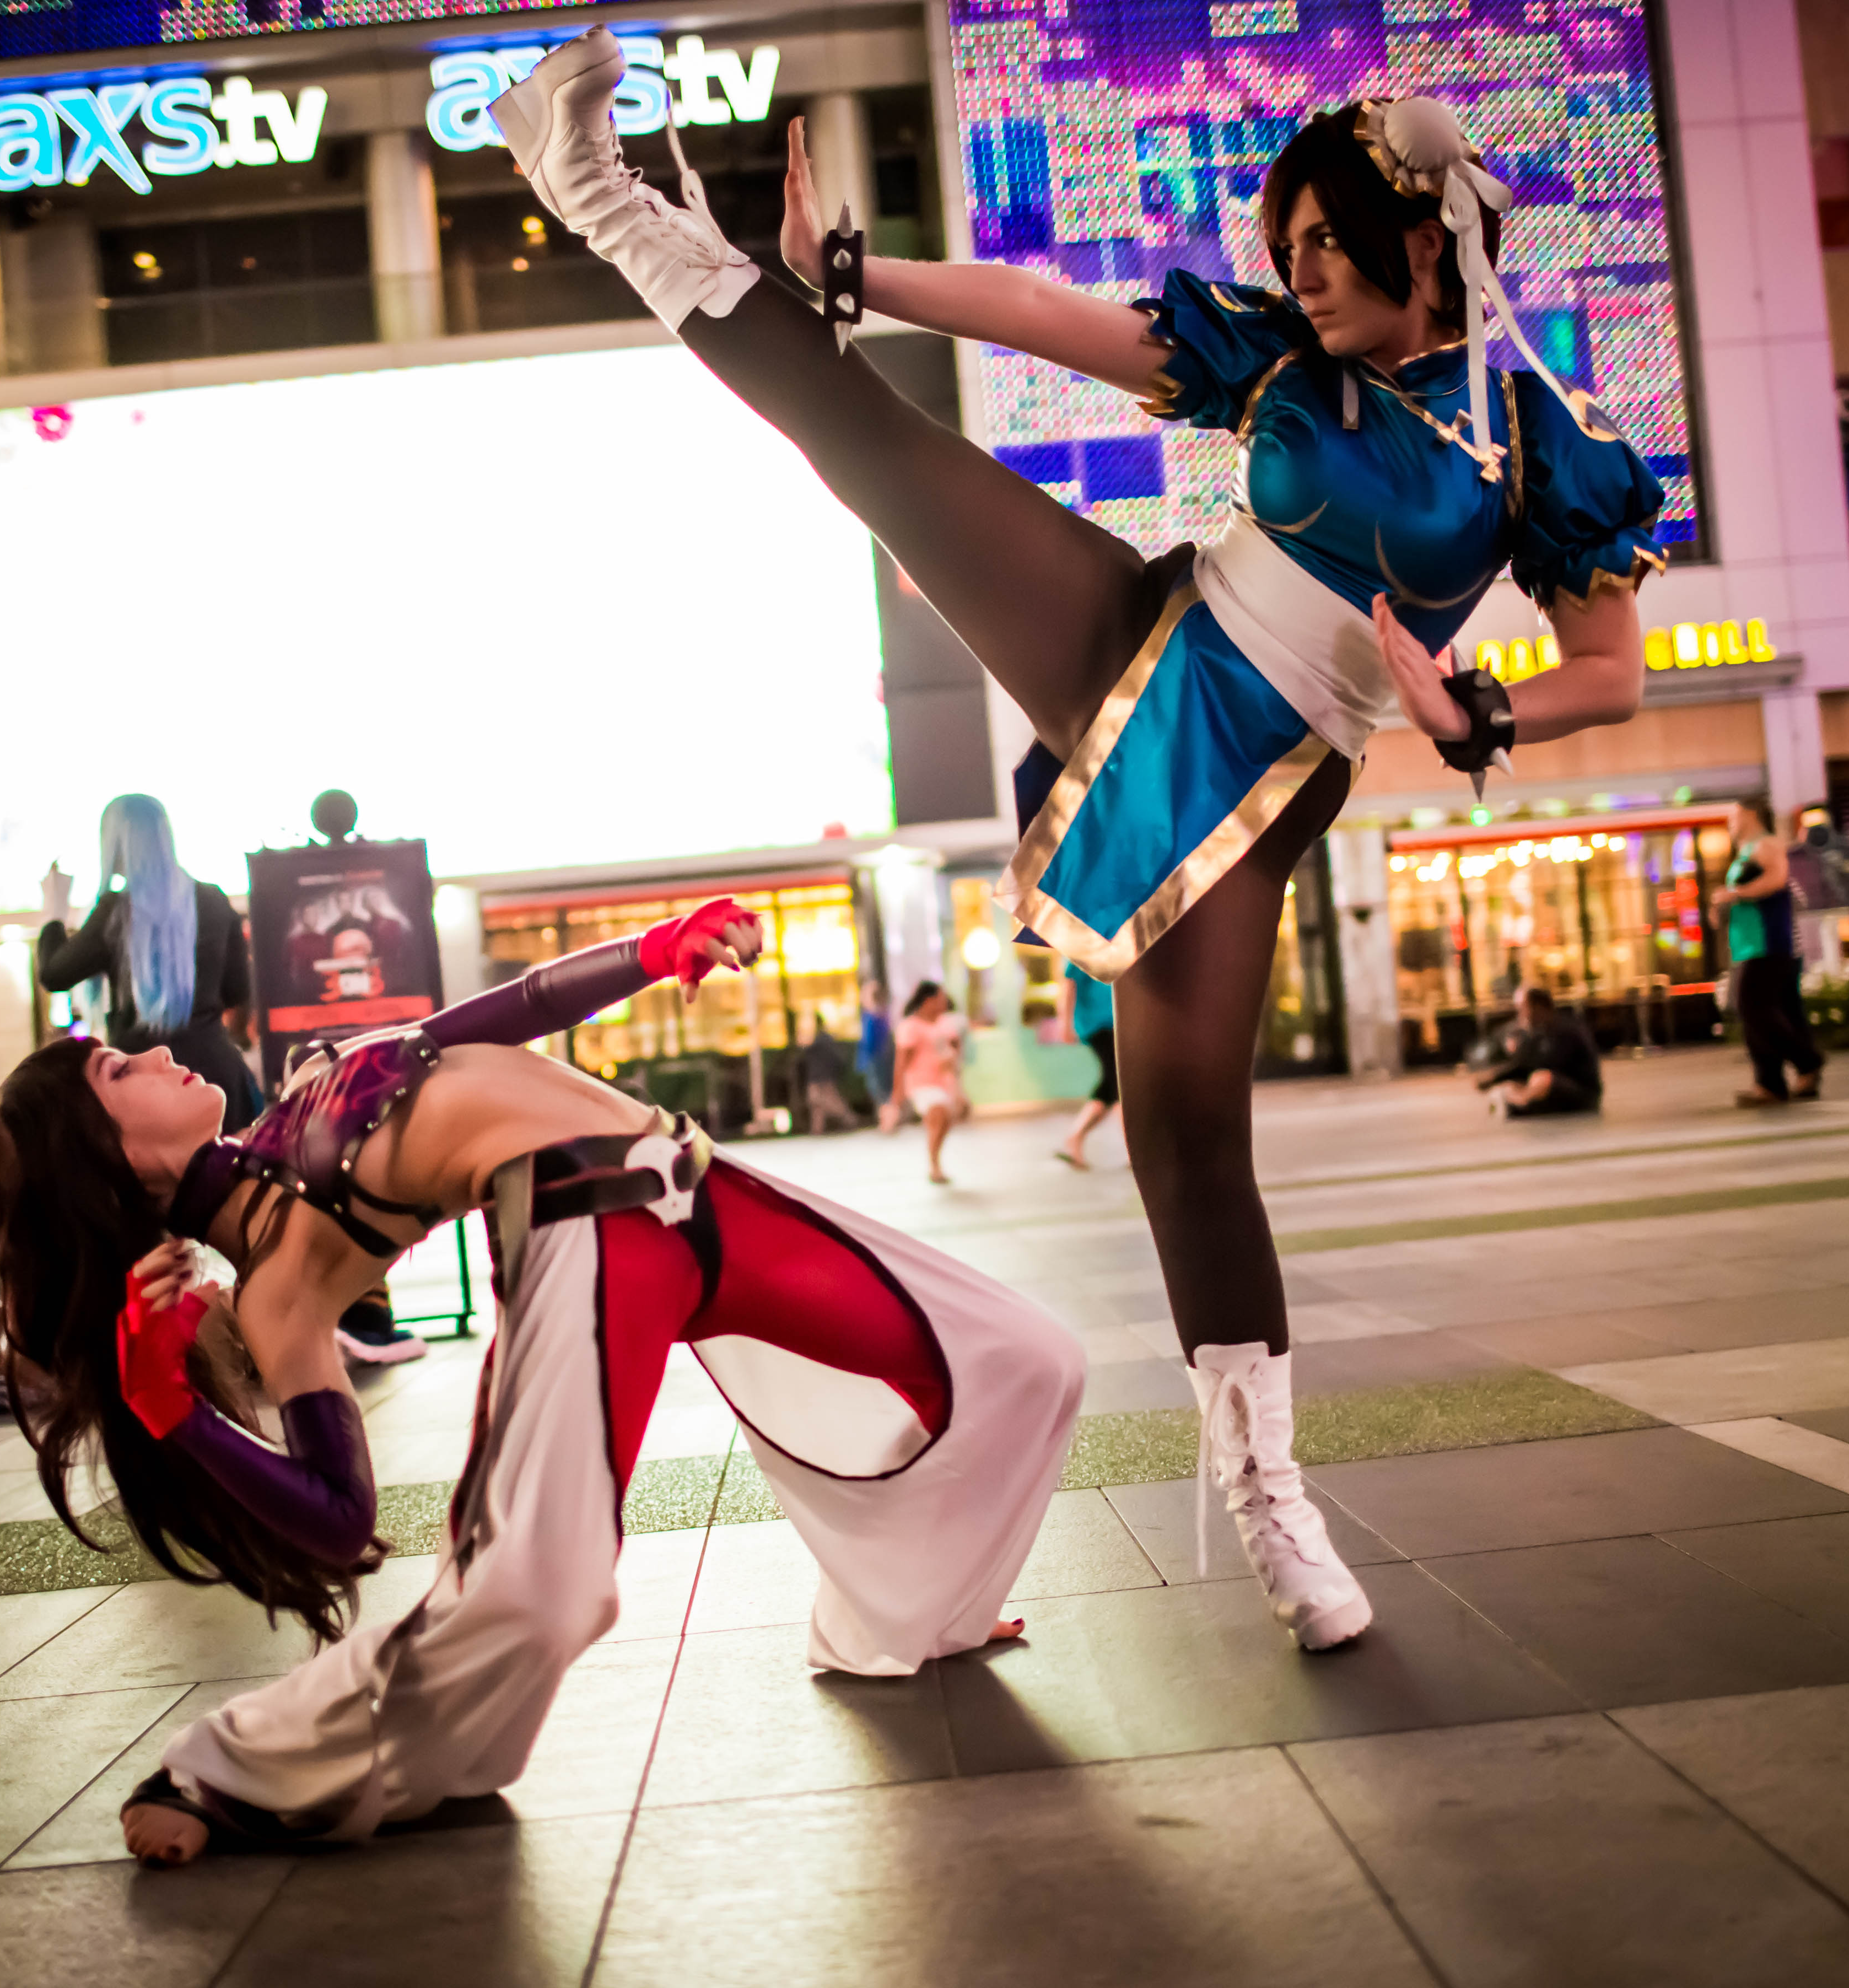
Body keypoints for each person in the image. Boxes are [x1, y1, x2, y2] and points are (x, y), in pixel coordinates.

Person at [498, 41, 1665, 1648]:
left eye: (1332, 242)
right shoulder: (1276, 355)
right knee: (869, 446)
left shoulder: (1541, 442)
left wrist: (1485, 717)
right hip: (1144, 632)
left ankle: (1270, 1498)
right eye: (1292, 244)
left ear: (1425, 245)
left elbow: (1613, 666)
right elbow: (1054, 314)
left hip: (1267, 767)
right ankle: (601, 193)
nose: (1303, 270)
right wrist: (860, 270)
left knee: (1184, 1136)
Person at [0, 901, 1082, 1864]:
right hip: (584, 1231)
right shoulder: (276, 1281)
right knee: (543, 1587)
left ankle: (922, 1612)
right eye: (118, 1073)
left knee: (1026, 1362)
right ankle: (220, 1772)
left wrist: (655, 950)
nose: (156, 1052)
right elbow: (336, 1516)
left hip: (700, 1192)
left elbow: (483, 1022)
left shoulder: (302, 1090)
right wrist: (173, 1416)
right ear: (105, 1155)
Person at [39, 794, 264, 1133]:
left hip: (143, 1085)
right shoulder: (213, 900)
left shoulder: (115, 913)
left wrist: (55, 910)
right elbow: (237, 990)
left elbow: (54, 974)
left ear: (114, 844)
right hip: (217, 1079)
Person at [1713, 797, 1824, 1106]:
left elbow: (1776, 879)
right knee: (1771, 1011)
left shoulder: (1766, 844)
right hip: (1752, 944)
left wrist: (1734, 894)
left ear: (1750, 814)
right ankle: (1773, 1083)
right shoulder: (1747, 851)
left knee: (1754, 1008)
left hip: (1770, 943)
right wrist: (1723, 905)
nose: (1729, 823)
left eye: (1733, 815)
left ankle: (1805, 1063)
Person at [1472, 984, 1601, 1118]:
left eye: (1523, 1008)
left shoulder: (1565, 1031)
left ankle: (1519, 1104)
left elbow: (1546, 1065)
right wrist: (1495, 1078)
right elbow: (1525, 1065)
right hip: (1554, 1087)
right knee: (1516, 1085)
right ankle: (1519, 1102)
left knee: (1541, 1078)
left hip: (1582, 1093)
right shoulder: (1538, 1031)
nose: (1521, 1016)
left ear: (1539, 1007)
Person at [893, 980, 968, 1185]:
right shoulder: (910, 1026)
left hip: (945, 1081)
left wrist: (953, 1061)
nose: (945, 1003)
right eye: (940, 999)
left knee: (944, 1122)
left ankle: (936, 1159)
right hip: (922, 1083)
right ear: (929, 1001)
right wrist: (897, 1094)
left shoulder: (946, 1023)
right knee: (939, 1112)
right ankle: (934, 1164)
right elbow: (902, 1061)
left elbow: (955, 1048)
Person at [1055, 954, 1120, 1169]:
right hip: (1096, 1024)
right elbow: (1068, 987)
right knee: (1113, 1082)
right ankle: (1074, 1137)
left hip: (1117, 1022)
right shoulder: (1079, 950)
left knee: (1119, 1087)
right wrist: (1065, 1024)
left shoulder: (1114, 948)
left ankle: (1132, 1149)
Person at [797, 1006, 860, 1135]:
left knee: (826, 1100)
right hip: (820, 1076)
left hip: (821, 1077)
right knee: (817, 1103)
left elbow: (807, 1050)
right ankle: (817, 1129)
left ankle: (849, 1119)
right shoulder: (824, 1038)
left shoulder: (821, 1039)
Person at [855, 980, 897, 1133]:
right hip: (879, 1059)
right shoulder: (881, 1014)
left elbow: (870, 1042)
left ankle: (888, 1122)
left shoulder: (874, 1016)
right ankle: (887, 1121)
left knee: (881, 1092)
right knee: (881, 1092)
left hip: (876, 1059)